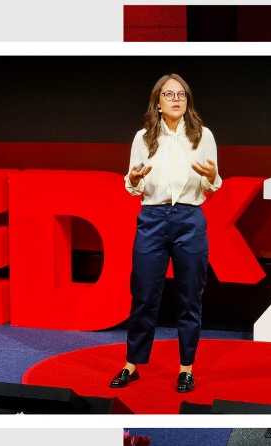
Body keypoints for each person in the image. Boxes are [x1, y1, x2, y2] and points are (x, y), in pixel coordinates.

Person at [110, 73, 222, 393]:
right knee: (144, 294)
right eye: (169, 95)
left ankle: (186, 368)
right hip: (153, 218)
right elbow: (134, 185)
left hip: (189, 219)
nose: (176, 99)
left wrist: (213, 176)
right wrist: (132, 177)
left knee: (190, 297)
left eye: (182, 95)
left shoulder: (203, 135)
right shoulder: (143, 138)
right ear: (157, 102)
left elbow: (211, 183)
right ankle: (132, 364)